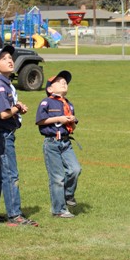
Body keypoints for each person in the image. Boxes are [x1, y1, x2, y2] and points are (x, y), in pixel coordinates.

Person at [0, 46, 37, 226]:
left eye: (10, 57)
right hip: (3, 133)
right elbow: (3, 114)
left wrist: (17, 106)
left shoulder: (5, 83)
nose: (10, 60)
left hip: (2, 133)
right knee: (10, 173)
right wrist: (17, 108)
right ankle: (14, 215)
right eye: (4, 58)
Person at [36, 70, 81, 219]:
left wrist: (71, 122)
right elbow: (40, 121)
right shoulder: (46, 102)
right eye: (59, 81)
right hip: (52, 142)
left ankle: (68, 195)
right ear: (50, 89)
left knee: (75, 169)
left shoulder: (69, 104)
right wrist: (60, 118)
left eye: (65, 82)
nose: (64, 83)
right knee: (57, 177)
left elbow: (72, 128)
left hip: (66, 142)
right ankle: (59, 209)